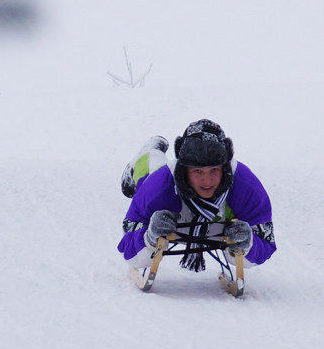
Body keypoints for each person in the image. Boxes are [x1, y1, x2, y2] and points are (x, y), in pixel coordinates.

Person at [118, 119, 276, 282]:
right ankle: (150, 151)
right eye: (198, 171)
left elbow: (266, 244)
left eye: (214, 170)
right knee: (149, 173)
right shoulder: (159, 186)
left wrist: (248, 244)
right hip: (161, 183)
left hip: (208, 221)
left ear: (225, 166)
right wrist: (149, 238)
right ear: (184, 169)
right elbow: (127, 247)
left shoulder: (246, 186)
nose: (207, 181)